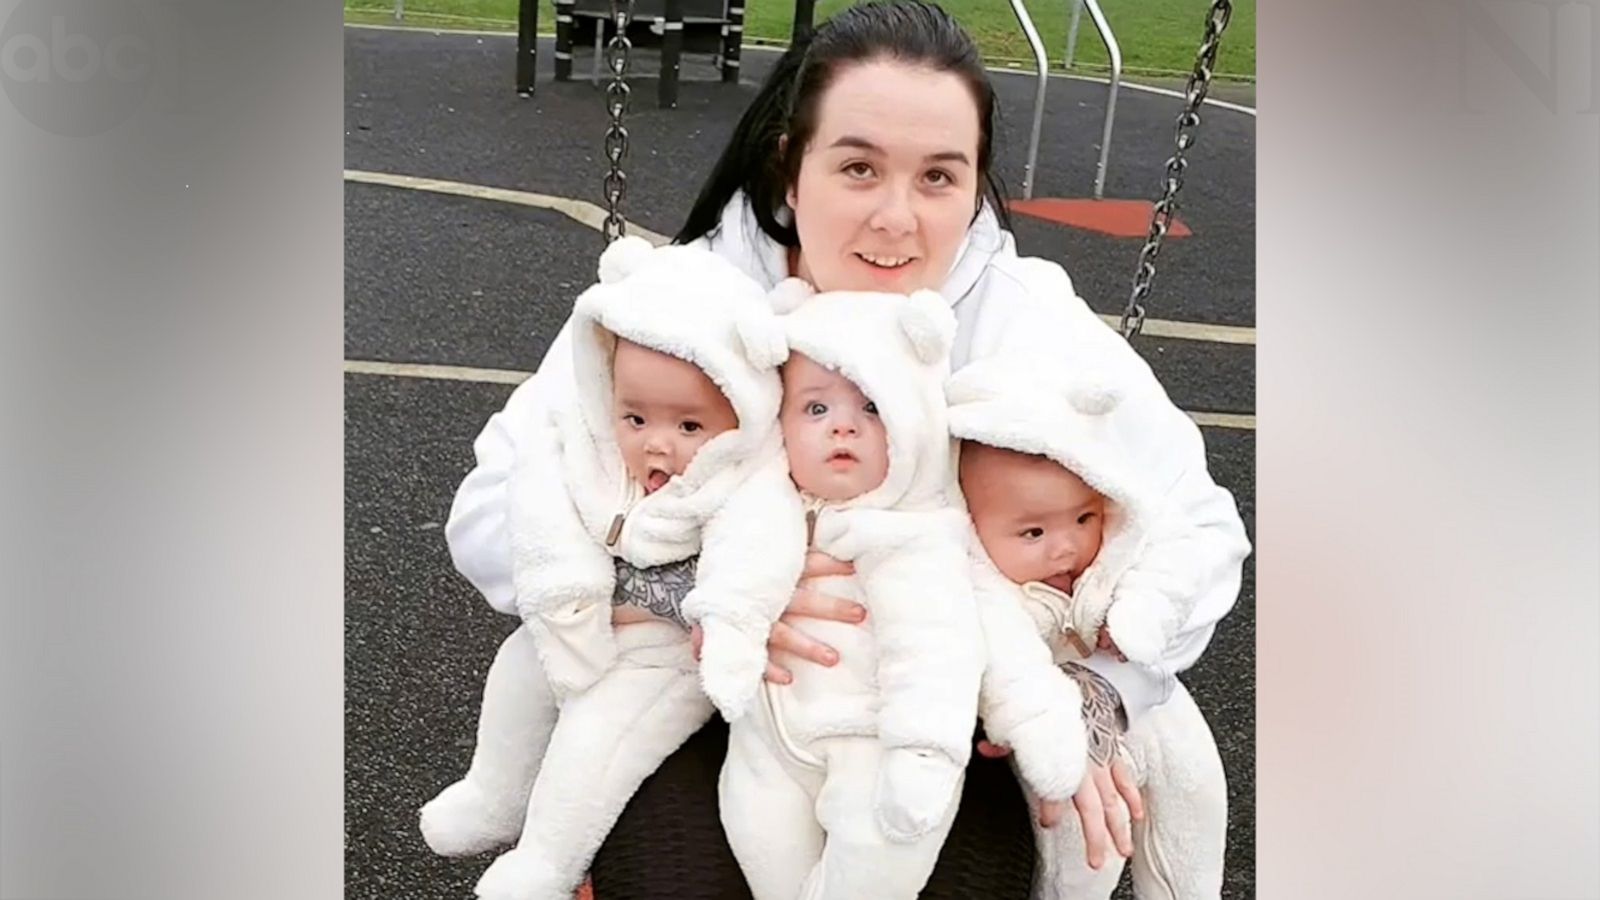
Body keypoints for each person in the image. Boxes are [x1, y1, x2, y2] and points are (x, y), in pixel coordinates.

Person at [445, 1, 1250, 893]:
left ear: (975, 185)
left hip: (933, 694)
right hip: (702, 676)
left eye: (939, 178)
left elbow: (1204, 539)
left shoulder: (1028, 329)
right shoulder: (682, 309)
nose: (897, 219)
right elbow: (488, 515)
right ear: (792, 167)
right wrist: (688, 594)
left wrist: (1098, 696)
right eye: (859, 167)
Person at [421, 237, 805, 900]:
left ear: (742, 413)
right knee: (519, 669)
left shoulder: (746, 477)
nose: (657, 441)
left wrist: (730, 625)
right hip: (591, 614)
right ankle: (495, 791)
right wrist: (564, 593)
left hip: (671, 652)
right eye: (636, 416)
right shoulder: (589, 445)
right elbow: (540, 512)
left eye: (690, 425)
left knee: (596, 740)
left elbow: (757, 551)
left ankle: (546, 861)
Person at [718, 283, 982, 899]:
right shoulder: (760, 503)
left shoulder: (911, 534)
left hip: (875, 744)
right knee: (765, 855)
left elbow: (937, 646)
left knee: (878, 859)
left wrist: (922, 750)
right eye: (816, 410)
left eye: (872, 409)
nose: (844, 426)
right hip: (764, 744)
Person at [952, 341, 1237, 898]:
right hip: (1049, 725)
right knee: (1083, 842)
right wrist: (1045, 724)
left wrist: (1141, 620)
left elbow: (1183, 550)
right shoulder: (983, 591)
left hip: (1142, 699)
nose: (1066, 548)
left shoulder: (1120, 536)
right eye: (1032, 532)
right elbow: (1004, 663)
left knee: (1195, 792)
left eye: (1082, 517)